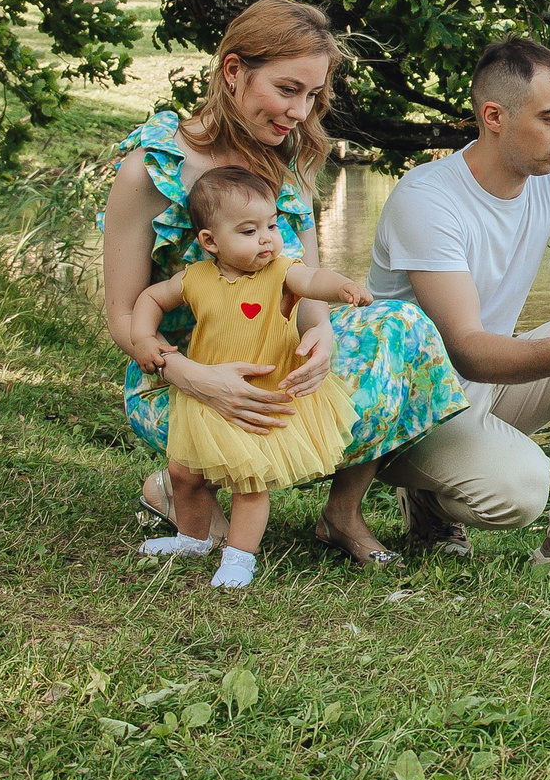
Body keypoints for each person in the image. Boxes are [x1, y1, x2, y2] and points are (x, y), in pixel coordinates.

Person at [102, 0, 470, 566]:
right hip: (180, 373)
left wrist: (320, 335)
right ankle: (180, 486)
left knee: (403, 324)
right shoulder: (149, 171)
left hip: (272, 357)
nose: (301, 111)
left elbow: (305, 284)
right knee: (219, 490)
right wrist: (197, 377)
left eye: (313, 95)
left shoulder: (291, 160)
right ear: (233, 72)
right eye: (287, 89)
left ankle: (342, 515)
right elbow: (123, 318)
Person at [368, 36, 550, 596]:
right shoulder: (427, 199)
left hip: (483, 391)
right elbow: (467, 348)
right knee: (520, 492)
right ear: (494, 116)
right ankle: (427, 496)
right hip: (406, 410)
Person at [130, 166, 377, 587]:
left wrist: (342, 288)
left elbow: (314, 279)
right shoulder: (196, 278)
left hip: (261, 398)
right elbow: (152, 297)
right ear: (210, 241)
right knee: (184, 474)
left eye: (271, 225)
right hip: (208, 395)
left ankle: (241, 556)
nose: (266, 238)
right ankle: (193, 536)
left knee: (250, 482)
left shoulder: (282, 271)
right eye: (248, 231)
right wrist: (143, 336)